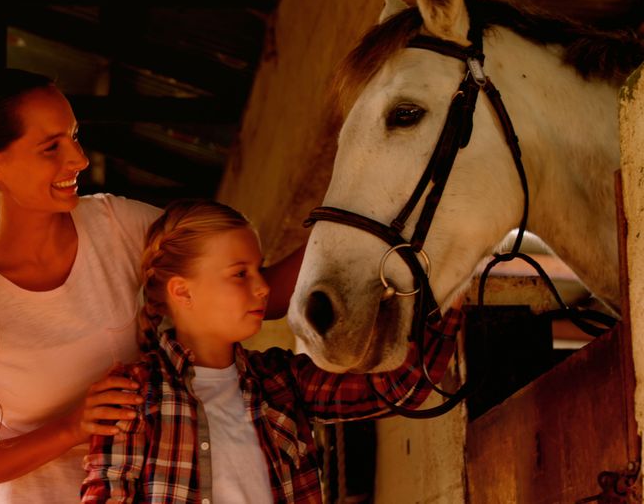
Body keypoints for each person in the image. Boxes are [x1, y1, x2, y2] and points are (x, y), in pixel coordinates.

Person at [0, 69, 307, 502]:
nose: (78, 159)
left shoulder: (118, 226)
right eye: (51, 147)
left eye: (74, 136)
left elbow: (246, 290)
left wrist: (352, 230)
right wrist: (72, 427)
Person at [81, 200, 463, 503]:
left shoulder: (282, 380)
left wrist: (454, 284)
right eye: (240, 273)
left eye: (259, 270)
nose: (263, 287)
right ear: (183, 292)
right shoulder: (132, 392)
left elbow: (399, 387)